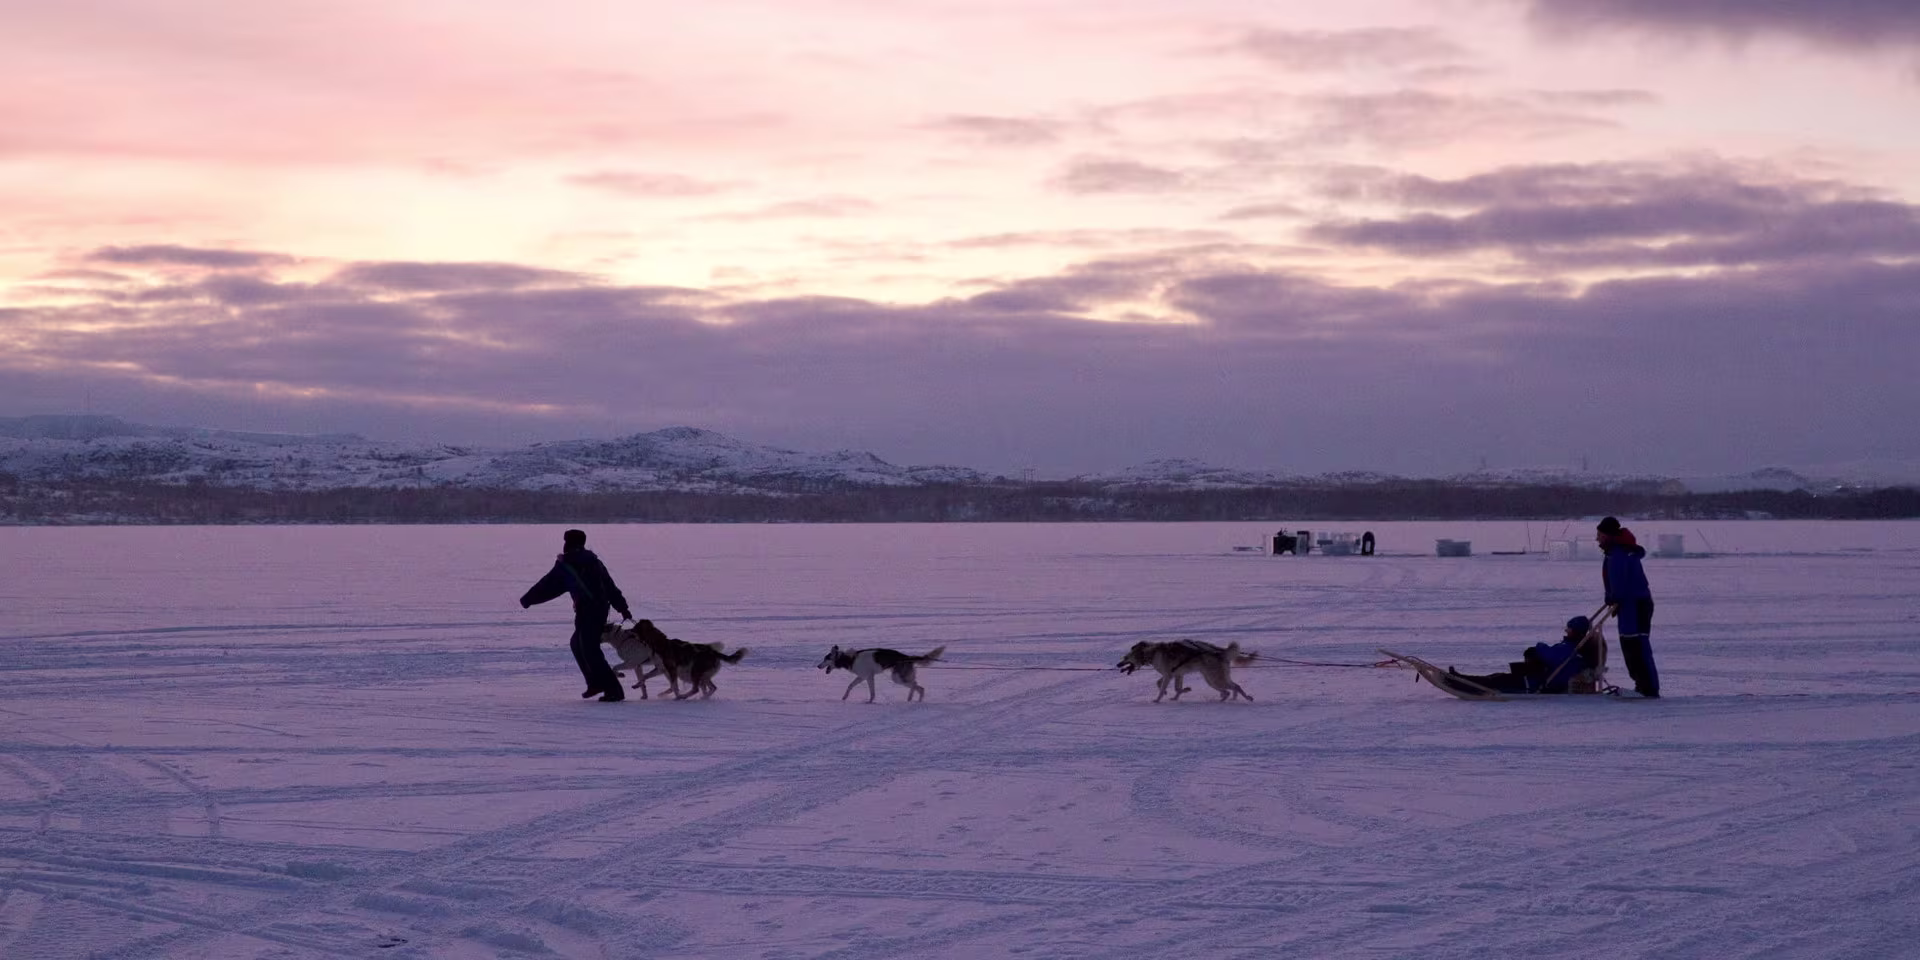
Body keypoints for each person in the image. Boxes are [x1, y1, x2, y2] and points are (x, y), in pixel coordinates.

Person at [520, 528, 635, 702]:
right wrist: (622, 608)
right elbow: (610, 586)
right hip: (599, 608)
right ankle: (596, 683)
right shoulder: (594, 561)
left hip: (588, 610)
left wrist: (528, 599)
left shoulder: (567, 563)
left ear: (568, 543)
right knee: (578, 644)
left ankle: (614, 691)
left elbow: (548, 585)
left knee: (589, 648)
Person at [1448, 616, 1596, 694]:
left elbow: (1548, 654)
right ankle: (1460, 679)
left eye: (1568, 629)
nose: (1566, 632)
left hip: (1534, 683)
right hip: (1536, 677)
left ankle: (1459, 683)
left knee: (1496, 680)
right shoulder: (1573, 649)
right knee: (1497, 677)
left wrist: (1539, 646)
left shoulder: (1569, 650)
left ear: (1575, 632)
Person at [1597, 516, 1658, 698]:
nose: (1597, 539)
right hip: (1632, 604)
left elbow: (1620, 582)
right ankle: (1644, 686)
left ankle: (1647, 688)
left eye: (1599, 534)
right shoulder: (1620, 551)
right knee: (1632, 645)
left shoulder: (1619, 554)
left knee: (1636, 646)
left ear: (1607, 535)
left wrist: (1613, 598)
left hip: (1634, 605)